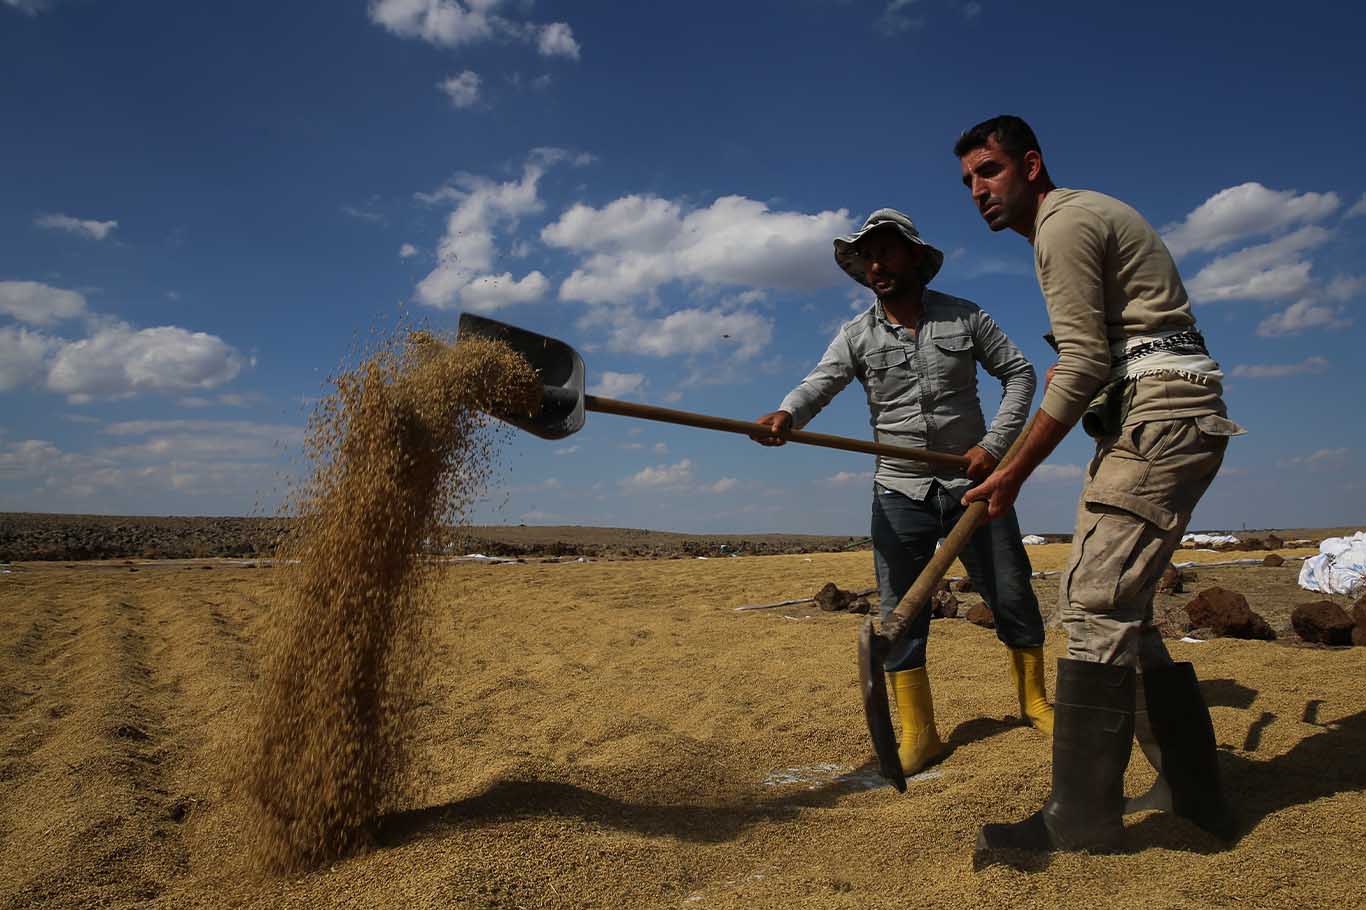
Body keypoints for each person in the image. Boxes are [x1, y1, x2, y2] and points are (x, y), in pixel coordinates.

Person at [954, 115, 1243, 863]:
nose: (978, 190)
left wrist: (1011, 470)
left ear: (1031, 164)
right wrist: (1082, 379)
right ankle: (1192, 792)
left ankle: (1077, 822)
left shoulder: (1063, 224)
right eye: (968, 182)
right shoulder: (1081, 217)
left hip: (1162, 418)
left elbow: (1083, 365)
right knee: (1122, 608)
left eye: (988, 171)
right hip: (1154, 414)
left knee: (1092, 603)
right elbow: (1097, 358)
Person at [751, 208, 1052, 779]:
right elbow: (822, 382)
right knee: (900, 615)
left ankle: (1035, 702)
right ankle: (920, 733)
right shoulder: (857, 335)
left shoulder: (965, 318)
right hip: (899, 490)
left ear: (915, 256)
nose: (876, 264)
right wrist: (789, 414)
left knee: (1011, 593)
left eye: (887, 251)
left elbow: (1020, 374)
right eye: (867, 256)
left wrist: (992, 446)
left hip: (975, 486)